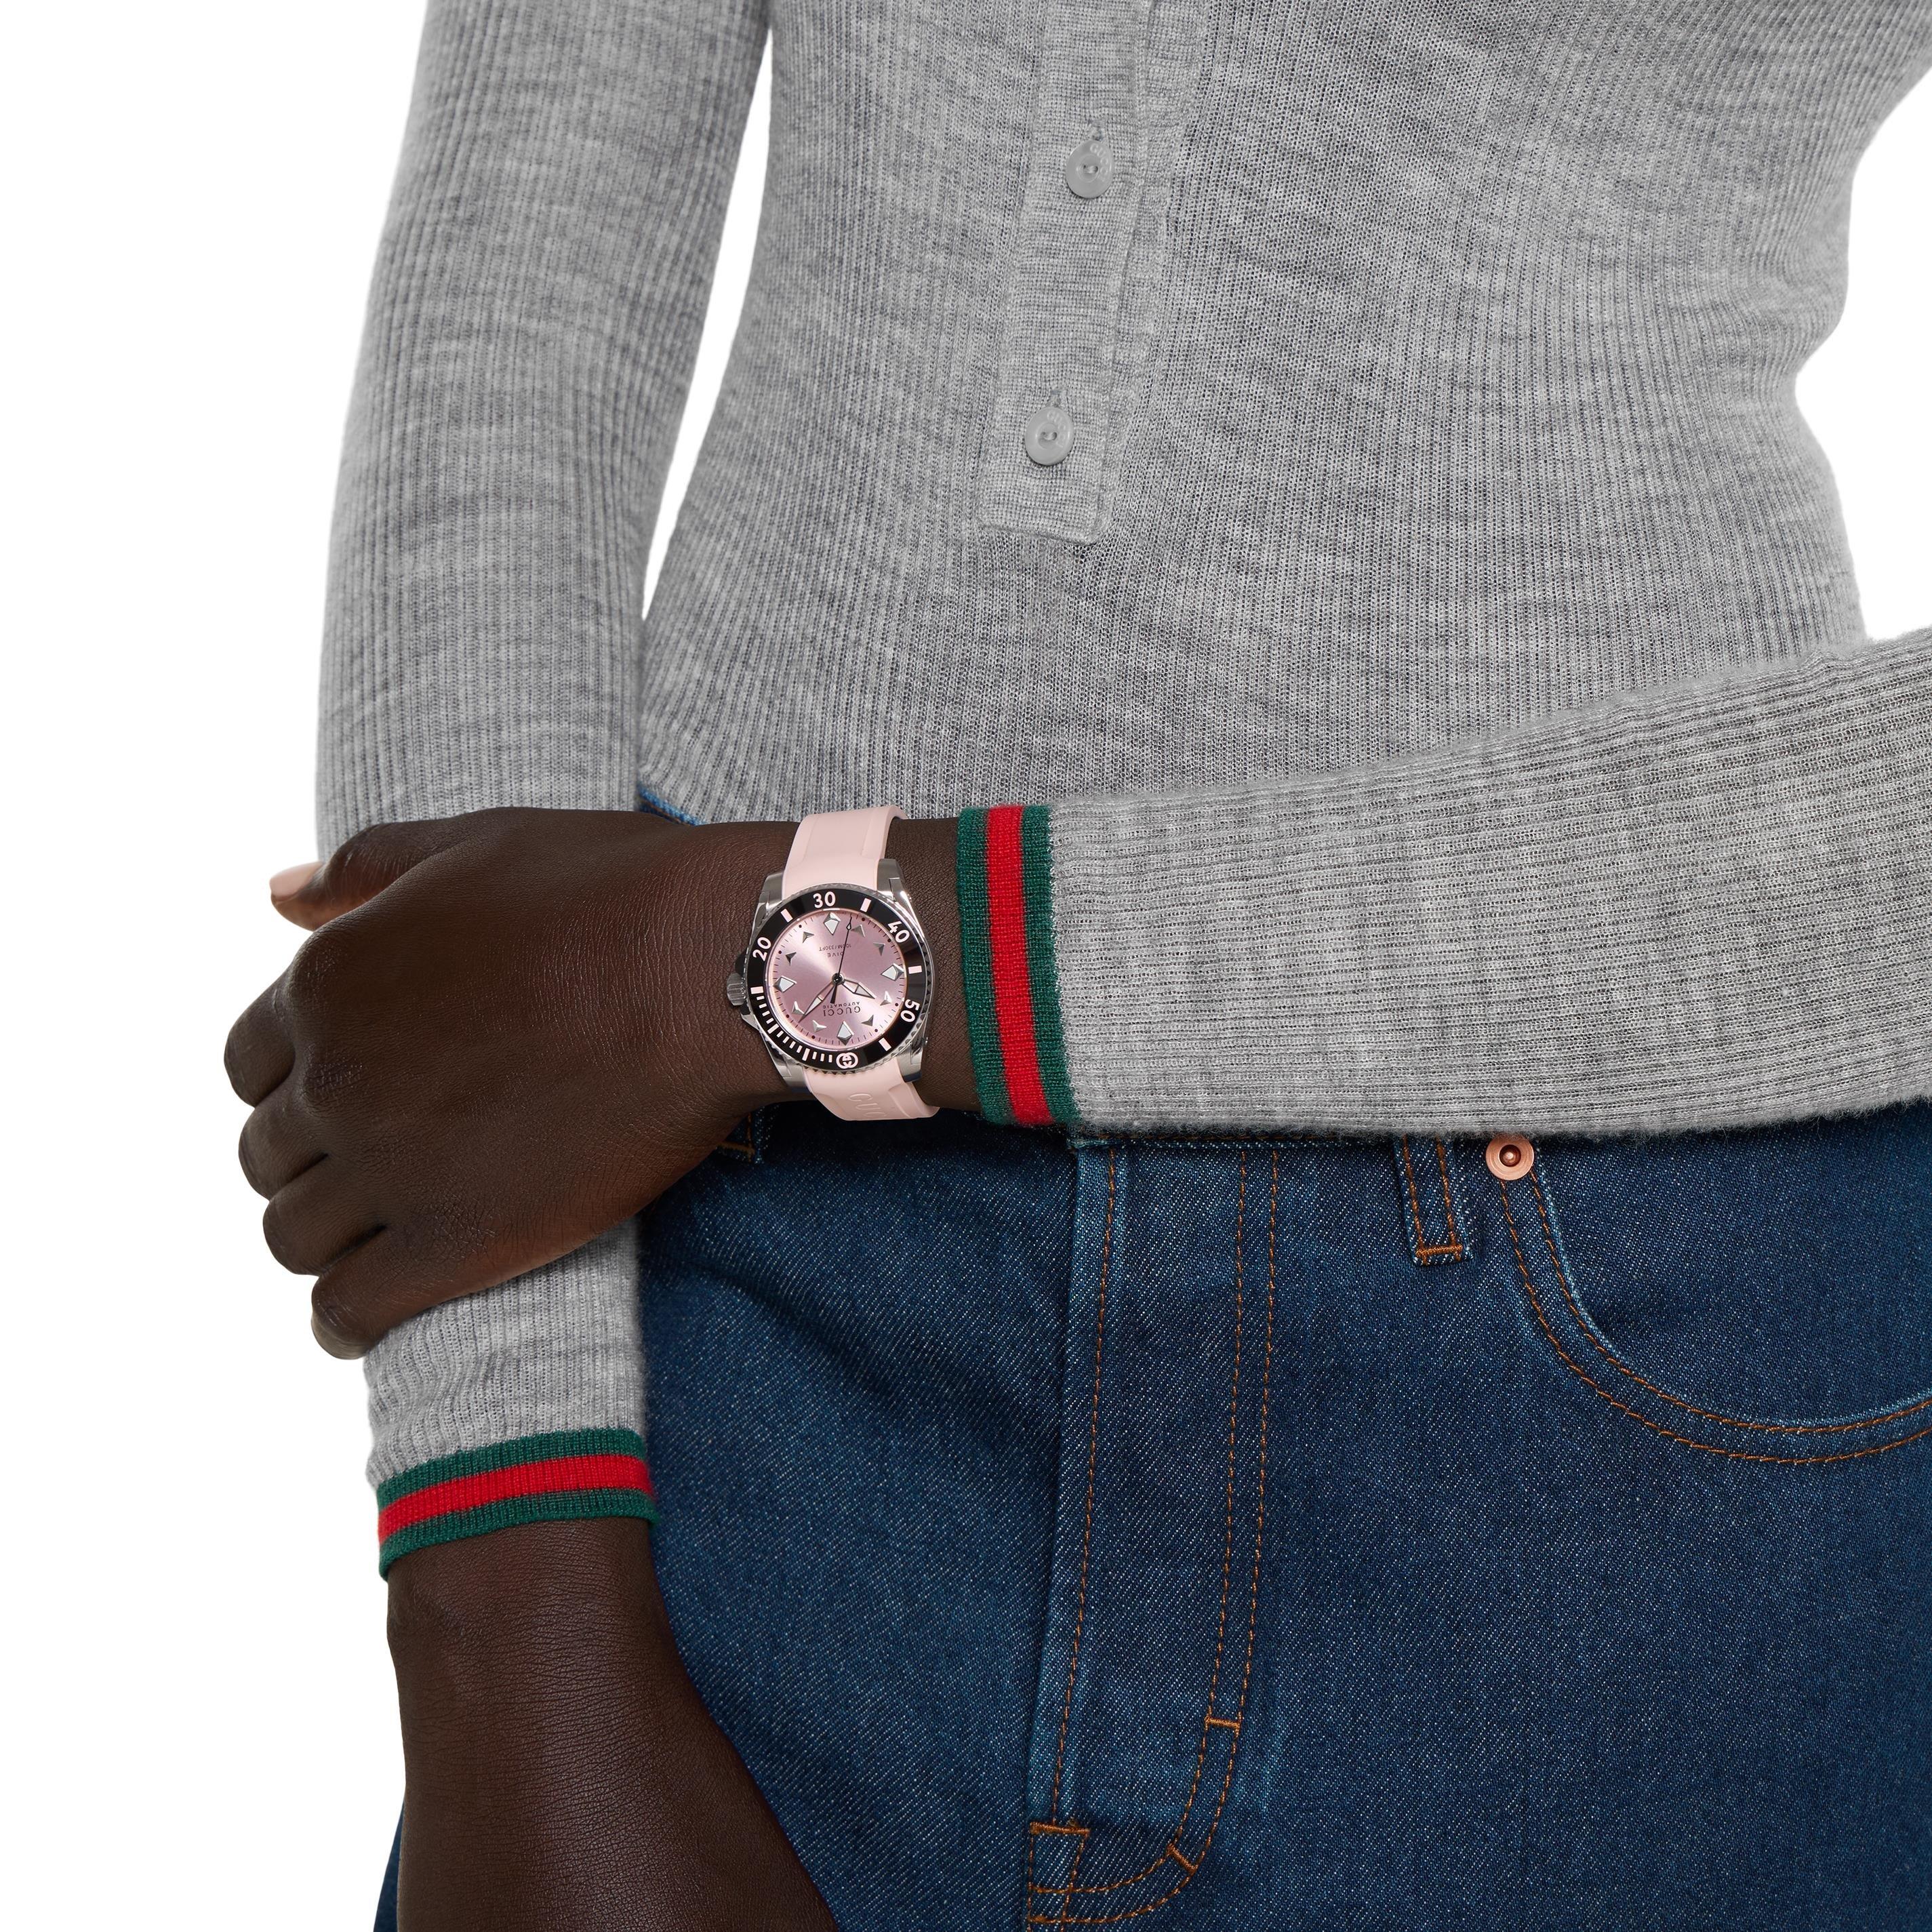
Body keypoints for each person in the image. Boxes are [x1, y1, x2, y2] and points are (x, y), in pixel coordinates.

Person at [226, 3, 1932, 1926]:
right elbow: (517, 292)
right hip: (710, 1290)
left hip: (1618, 1383)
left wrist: (807, 955)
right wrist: (499, 1558)